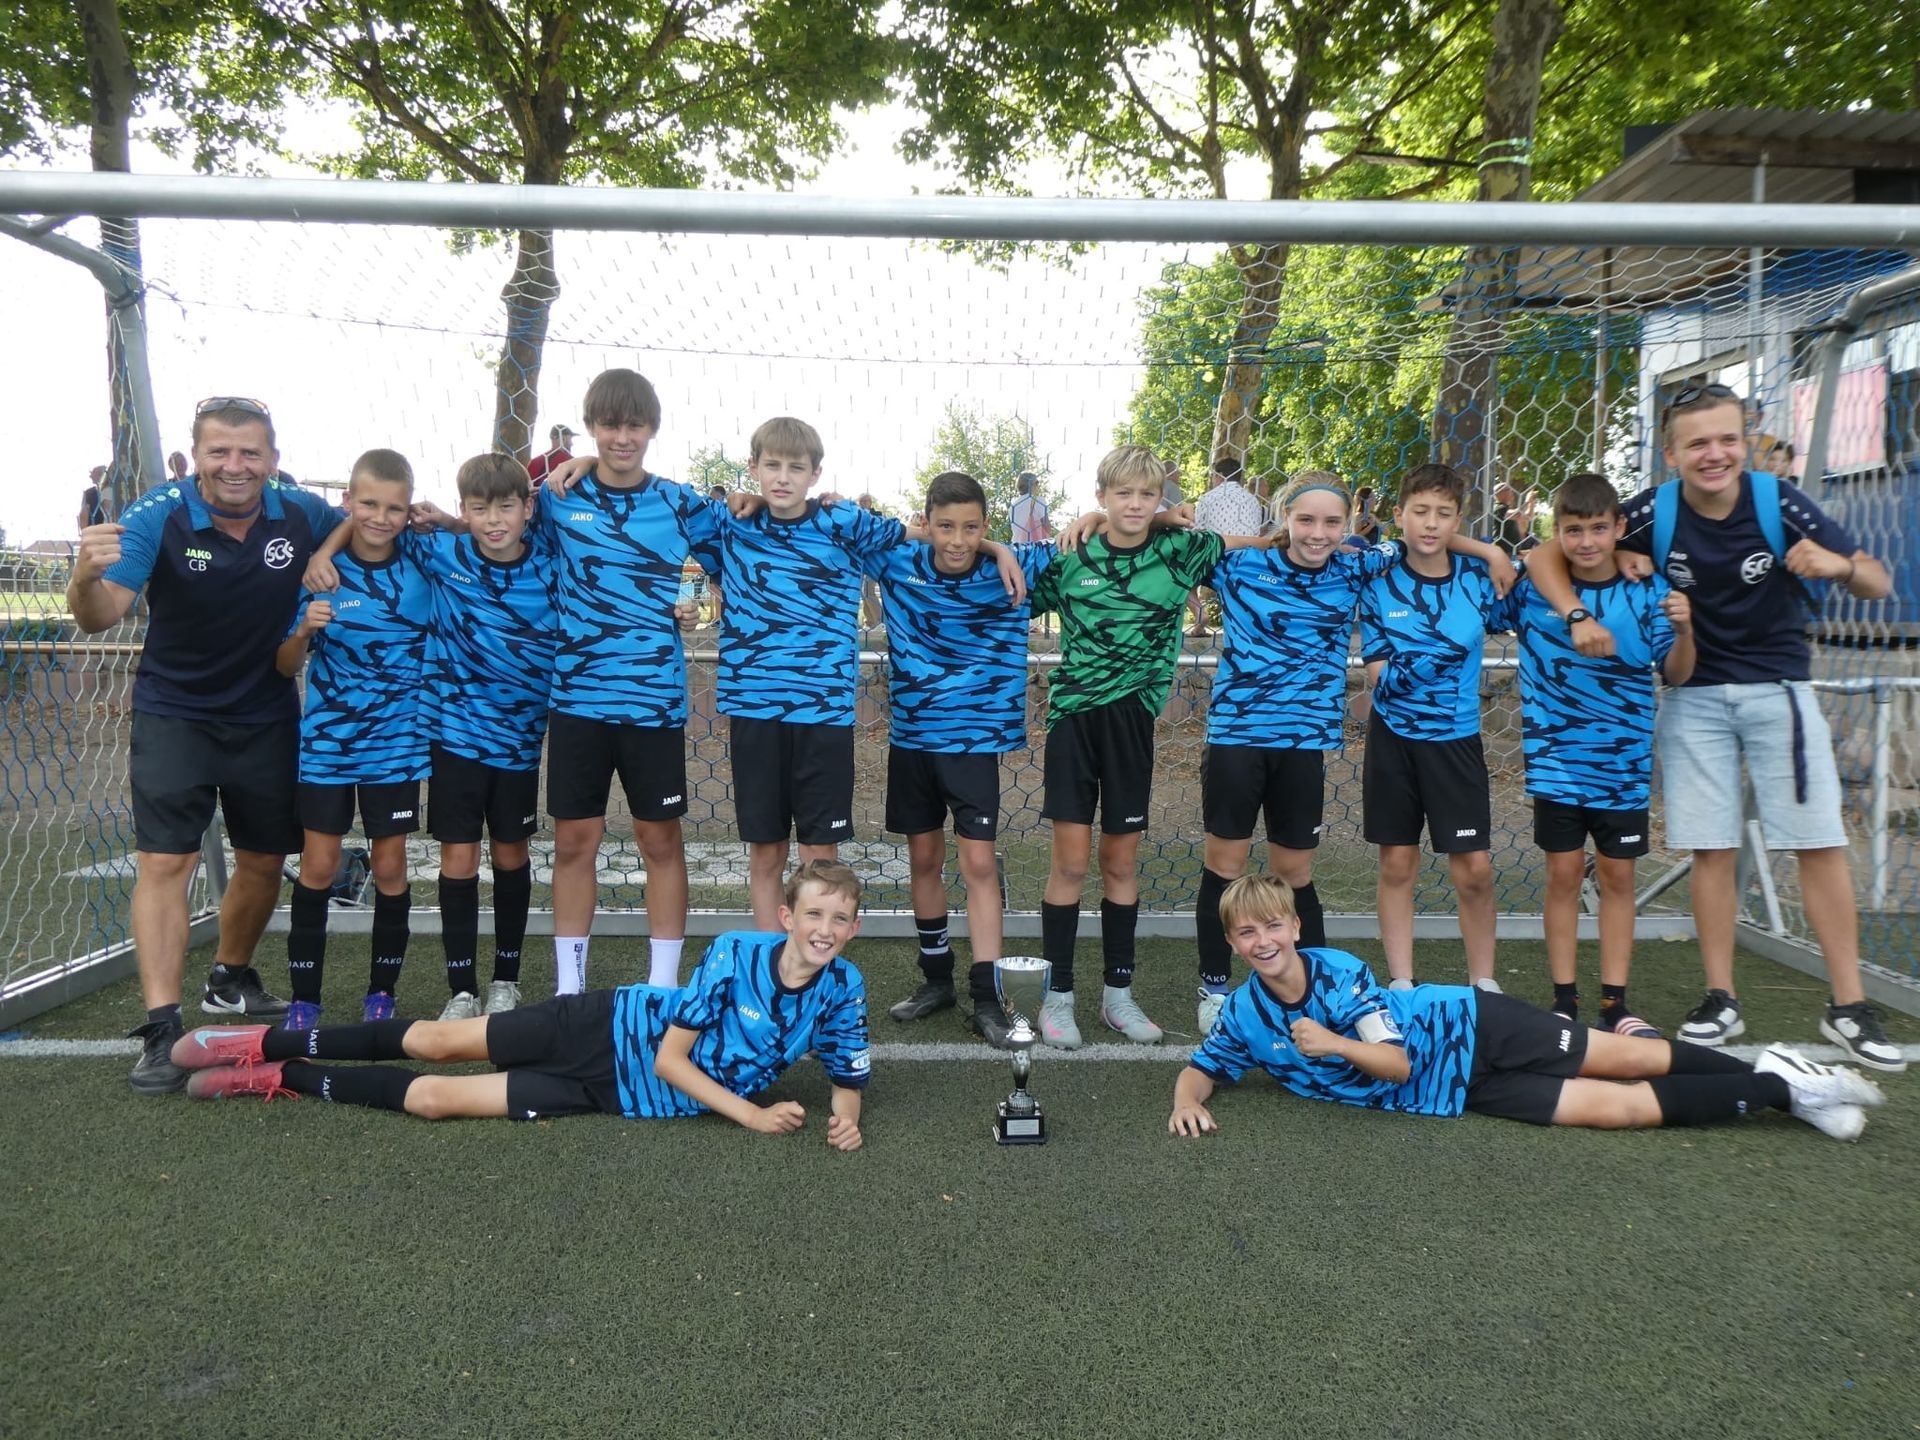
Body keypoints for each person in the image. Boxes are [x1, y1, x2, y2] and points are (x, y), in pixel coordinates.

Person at [1525, 383, 1905, 1072]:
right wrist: (1582, 611)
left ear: (1747, 442)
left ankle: (1849, 1005)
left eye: (1727, 439)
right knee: (1712, 847)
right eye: (1697, 443)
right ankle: (1720, 997)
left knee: (1817, 841)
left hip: (1779, 693)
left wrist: (1841, 565)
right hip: (1694, 696)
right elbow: (1550, 552)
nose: (1714, 454)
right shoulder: (1653, 511)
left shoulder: (1779, 501)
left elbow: (1878, 581)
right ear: (1672, 454)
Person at [170, 860, 872, 1144]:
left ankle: (282, 1077)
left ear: (853, 929)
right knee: (438, 1043)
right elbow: (669, 1059)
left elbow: (847, 1078)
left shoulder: (844, 989)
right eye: (814, 915)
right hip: (602, 1028)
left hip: (611, 1095)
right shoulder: (736, 953)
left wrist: (846, 1123)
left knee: (434, 1100)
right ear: (786, 917)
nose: (825, 931)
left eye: (840, 920)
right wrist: (751, 1114)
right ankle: (263, 1042)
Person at [1168, 875, 1884, 1142]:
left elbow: (1395, 1063)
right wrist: (1185, 1102)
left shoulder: (1341, 973)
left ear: (1296, 927)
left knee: (1628, 1058)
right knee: (1618, 1110)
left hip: (1473, 1028)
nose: (1263, 942)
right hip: (1453, 1091)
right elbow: (1203, 1067)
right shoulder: (1242, 1015)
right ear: (1232, 944)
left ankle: (1785, 1085)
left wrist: (1331, 1044)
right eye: (1246, 934)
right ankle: (1785, 1088)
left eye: (1273, 926)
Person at [66, 396, 339, 1094]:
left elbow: (367, 522)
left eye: (250, 452)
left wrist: (341, 546)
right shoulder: (158, 515)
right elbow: (100, 617)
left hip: (266, 714)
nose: (235, 465)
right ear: (196, 456)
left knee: (265, 858)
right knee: (167, 861)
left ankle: (229, 978)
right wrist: (83, 576)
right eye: (220, 451)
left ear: (272, 458)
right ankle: (162, 1029)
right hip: (175, 714)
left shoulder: (300, 512)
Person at [1191, 471, 1511, 1035]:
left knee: (1294, 872)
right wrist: (1255, 539)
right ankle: (1215, 989)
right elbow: (1171, 542)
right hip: (1238, 737)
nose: (1318, 533)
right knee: (1226, 865)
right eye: (1305, 520)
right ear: (1284, 517)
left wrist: (1490, 550)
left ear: (1348, 526)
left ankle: (1311, 991)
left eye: (1332, 522)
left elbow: (1423, 535)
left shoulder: (1357, 566)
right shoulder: (1237, 565)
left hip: (1305, 744)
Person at [1029, 444, 1258, 1047]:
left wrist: (1299, 537)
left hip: (1132, 724)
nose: (1134, 504)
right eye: (1122, 493)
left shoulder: (1180, 552)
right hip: (1074, 723)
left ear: (1162, 499)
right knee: (1070, 863)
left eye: (1147, 495)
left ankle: (1118, 997)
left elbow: (1248, 546)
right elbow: (1011, 584)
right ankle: (1058, 998)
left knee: (1120, 863)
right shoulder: (1071, 554)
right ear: (1100, 496)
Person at [322, 454, 557, 1021]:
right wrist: (321, 554)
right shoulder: (442, 553)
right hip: (453, 736)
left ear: (528, 508)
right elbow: (370, 524)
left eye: (506, 507)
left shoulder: (553, 567)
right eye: (479, 509)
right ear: (463, 510)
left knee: (510, 854)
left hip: (519, 741)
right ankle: (462, 989)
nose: (494, 520)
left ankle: (505, 980)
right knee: (458, 857)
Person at [532, 370, 732, 996]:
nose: (623, 437)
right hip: (577, 698)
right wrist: (571, 464)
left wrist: (697, 602)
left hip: (653, 701)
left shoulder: (679, 502)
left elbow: (721, 556)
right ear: (591, 426)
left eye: (635, 425)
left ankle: (663, 987)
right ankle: (569, 988)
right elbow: (500, 523)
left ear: (653, 429)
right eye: (610, 425)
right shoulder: (556, 497)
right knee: (575, 842)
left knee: (659, 839)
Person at [1500, 473, 1694, 1036]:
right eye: (1574, 530)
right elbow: (1501, 587)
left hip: (1623, 766)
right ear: (1558, 532)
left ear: (1620, 528)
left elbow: (1678, 673)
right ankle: (1564, 999)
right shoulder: (1535, 592)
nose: (1586, 541)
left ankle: (1615, 1004)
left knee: (1618, 877)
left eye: (1598, 529)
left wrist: (1686, 632)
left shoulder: (1648, 590)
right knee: (1562, 874)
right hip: (1556, 763)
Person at [871, 471, 1055, 1045]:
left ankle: (987, 997)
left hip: (973, 746)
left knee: (978, 865)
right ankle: (936, 980)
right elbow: (840, 532)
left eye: (972, 528)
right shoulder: (897, 561)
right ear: (925, 522)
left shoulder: (1014, 570)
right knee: (923, 861)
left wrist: (1001, 550)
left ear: (986, 525)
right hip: (912, 742)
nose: (957, 540)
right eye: (944, 527)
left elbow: (1091, 537)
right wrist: (991, 544)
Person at [274, 449, 432, 1027]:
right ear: (347, 502)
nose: (380, 517)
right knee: (318, 866)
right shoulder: (321, 575)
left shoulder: (423, 562)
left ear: (408, 511)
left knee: (390, 867)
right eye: (368, 504)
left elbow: (471, 535)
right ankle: (304, 1000)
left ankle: (381, 995)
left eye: (394, 508)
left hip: (397, 744)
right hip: (328, 745)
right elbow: (285, 665)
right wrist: (302, 631)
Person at [1358, 462, 1510, 991]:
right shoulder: (1377, 582)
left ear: (1458, 521)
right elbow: (1382, 679)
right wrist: (1449, 645)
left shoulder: (1478, 580)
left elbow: (1539, 583)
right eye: (1420, 511)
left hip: (1455, 742)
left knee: (1475, 869)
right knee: (1398, 863)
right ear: (1399, 514)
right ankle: (1401, 983)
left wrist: (1493, 552)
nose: (1430, 523)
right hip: (1394, 741)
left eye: (1444, 514)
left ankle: (1484, 985)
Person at [1490, 481, 1539, 557]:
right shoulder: (1499, 508)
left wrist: (1531, 503)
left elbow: (1528, 517)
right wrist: (1527, 500)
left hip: (1512, 552)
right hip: (1503, 552)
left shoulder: (1505, 509)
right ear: (1501, 492)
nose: (1512, 492)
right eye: (1509, 489)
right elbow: (1518, 514)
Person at [525, 424, 574, 489]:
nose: (572, 444)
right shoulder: (570, 461)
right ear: (563, 439)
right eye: (570, 439)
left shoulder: (534, 462)